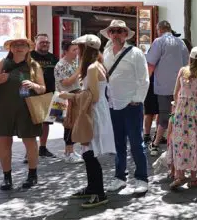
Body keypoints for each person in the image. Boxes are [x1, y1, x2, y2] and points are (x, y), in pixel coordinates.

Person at [61, 34, 115, 208]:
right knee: (87, 152)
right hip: (94, 112)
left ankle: (99, 192)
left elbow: (94, 96)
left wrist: (70, 96)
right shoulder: (97, 66)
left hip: (93, 113)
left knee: (90, 154)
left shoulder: (92, 68)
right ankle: (93, 187)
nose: (77, 52)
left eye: (79, 49)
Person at [0, 37, 46, 190]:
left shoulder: (34, 65)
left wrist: (34, 85)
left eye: (23, 45)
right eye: (15, 45)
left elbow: (43, 88)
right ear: (11, 48)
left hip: (26, 109)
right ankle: (7, 178)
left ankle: (32, 175)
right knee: (4, 144)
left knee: (30, 142)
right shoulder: (2, 64)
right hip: (3, 109)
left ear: (28, 48)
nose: (19, 47)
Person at [101, 20, 150, 195]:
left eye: (119, 31)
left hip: (131, 105)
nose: (115, 34)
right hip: (112, 105)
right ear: (109, 34)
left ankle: (142, 178)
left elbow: (143, 79)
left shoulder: (135, 53)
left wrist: (137, 99)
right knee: (118, 144)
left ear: (125, 34)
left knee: (136, 143)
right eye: (112, 31)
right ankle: (120, 177)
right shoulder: (106, 52)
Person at [146, 20, 189, 156]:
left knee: (164, 115)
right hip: (180, 87)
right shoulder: (181, 43)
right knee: (177, 115)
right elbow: (187, 64)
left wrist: (146, 82)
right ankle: (176, 143)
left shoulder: (159, 42)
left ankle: (156, 144)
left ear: (159, 29)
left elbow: (151, 64)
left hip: (163, 87)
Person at [169, 46, 197, 190]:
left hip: (181, 110)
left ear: (190, 58)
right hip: (196, 111)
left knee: (181, 140)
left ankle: (179, 174)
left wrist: (176, 108)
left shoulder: (182, 71)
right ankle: (193, 178)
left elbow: (175, 93)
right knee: (196, 140)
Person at [30, 33, 59, 158]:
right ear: (35, 43)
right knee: (31, 123)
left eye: (47, 42)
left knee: (46, 122)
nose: (45, 44)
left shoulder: (53, 58)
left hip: (50, 94)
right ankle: (30, 152)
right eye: (42, 42)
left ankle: (42, 148)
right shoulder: (29, 56)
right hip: (32, 94)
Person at [54, 41, 82, 163]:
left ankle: (69, 151)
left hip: (74, 95)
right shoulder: (61, 65)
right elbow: (66, 82)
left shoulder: (74, 62)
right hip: (66, 97)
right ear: (66, 51)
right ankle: (69, 152)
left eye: (77, 49)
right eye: (73, 50)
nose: (76, 52)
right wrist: (79, 70)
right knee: (69, 124)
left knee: (73, 124)